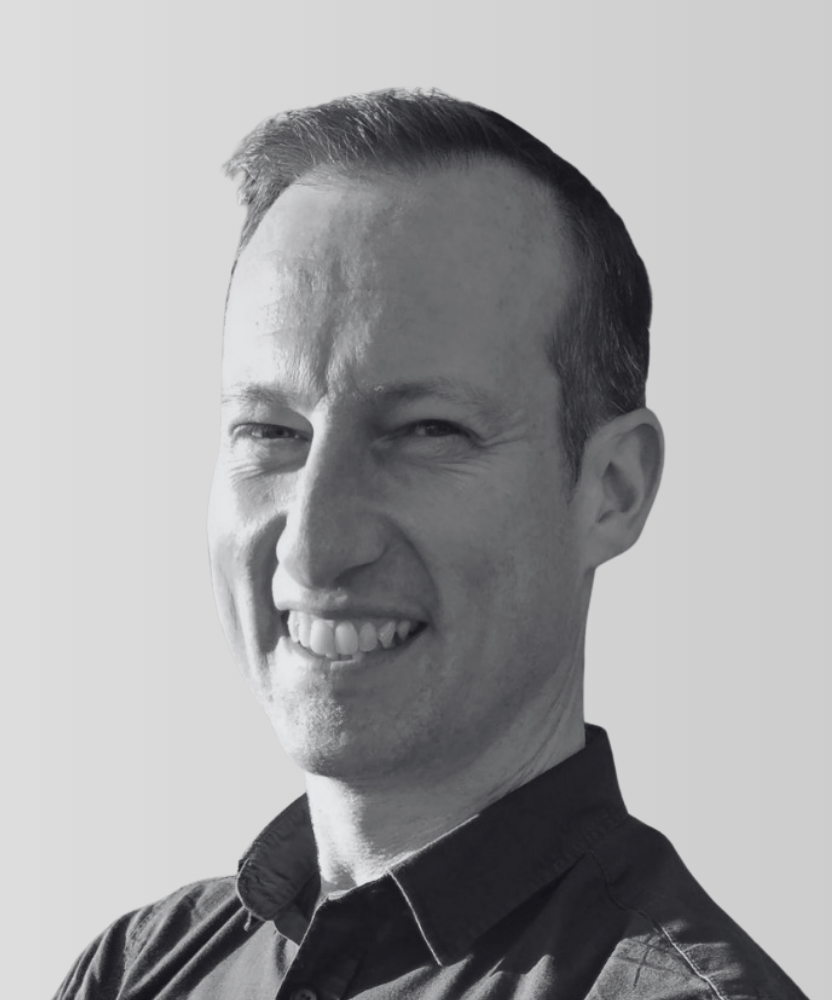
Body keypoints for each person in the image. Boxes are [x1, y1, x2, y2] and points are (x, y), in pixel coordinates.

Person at [54, 88, 809, 999]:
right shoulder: (136, 970)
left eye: (427, 431)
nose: (314, 546)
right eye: (270, 431)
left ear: (613, 489)